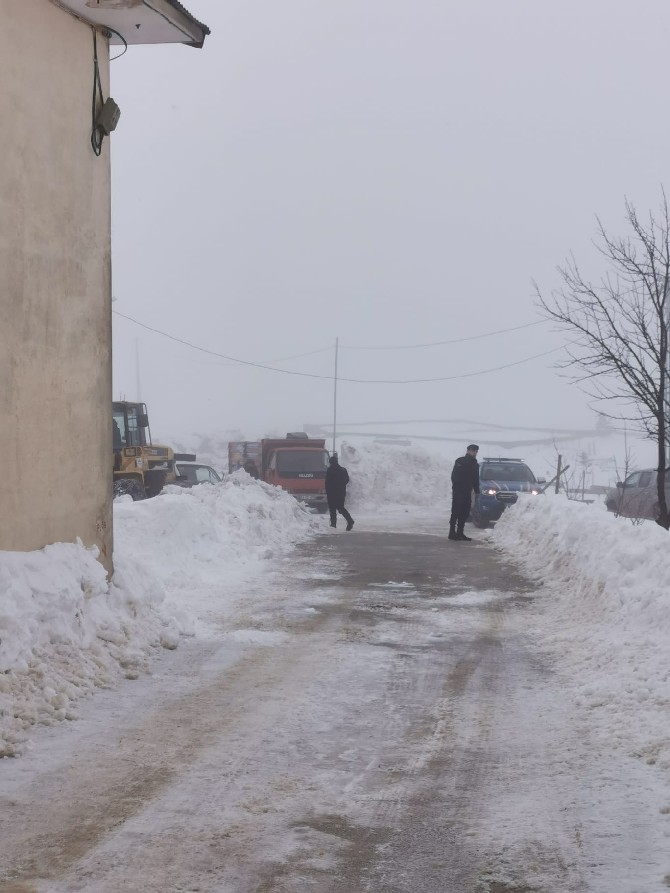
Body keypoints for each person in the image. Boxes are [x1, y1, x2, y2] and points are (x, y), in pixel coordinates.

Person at [449, 444, 480, 541]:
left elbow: (476, 479)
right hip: (458, 491)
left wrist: (477, 491)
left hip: (467, 492)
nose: (474, 453)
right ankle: (452, 532)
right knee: (456, 512)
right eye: (473, 451)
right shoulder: (460, 461)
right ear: (468, 451)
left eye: (476, 451)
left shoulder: (475, 464)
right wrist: (457, 487)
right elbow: (454, 476)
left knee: (465, 512)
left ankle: (460, 533)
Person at [325, 454, 354, 530]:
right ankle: (350, 520)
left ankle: (333, 525)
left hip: (332, 494)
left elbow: (327, 483)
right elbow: (347, 480)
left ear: (331, 462)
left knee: (332, 510)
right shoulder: (343, 470)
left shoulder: (330, 470)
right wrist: (341, 485)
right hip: (341, 493)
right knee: (341, 508)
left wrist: (327, 492)